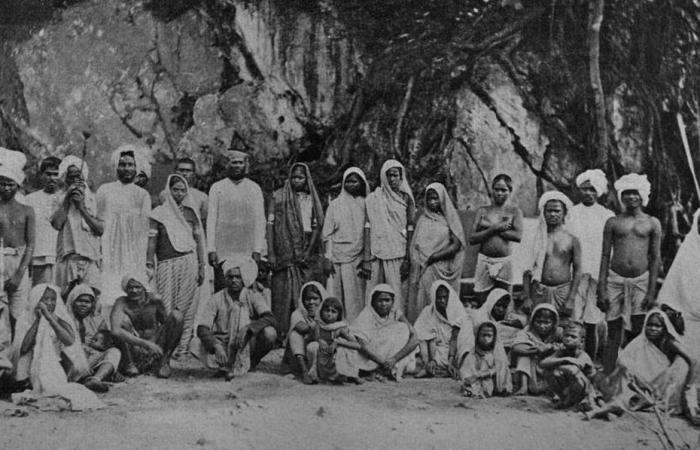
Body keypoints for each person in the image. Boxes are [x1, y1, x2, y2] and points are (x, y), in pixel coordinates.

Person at [598, 173, 661, 373]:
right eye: (627, 193)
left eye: (635, 193)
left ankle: (635, 374)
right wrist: (602, 289)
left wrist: (651, 291)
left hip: (641, 281)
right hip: (615, 279)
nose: (631, 197)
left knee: (638, 327)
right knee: (613, 330)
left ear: (642, 195)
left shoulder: (652, 223)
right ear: (621, 196)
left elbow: (655, 258)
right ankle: (608, 374)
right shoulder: (613, 222)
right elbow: (605, 256)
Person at [587, 310, 695, 421]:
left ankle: (620, 403)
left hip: (662, 381)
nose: (653, 329)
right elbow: (623, 359)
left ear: (665, 328)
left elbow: (693, 360)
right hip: (643, 379)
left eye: (658, 326)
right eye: (650, 325)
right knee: (623, 367)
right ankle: (617, 402)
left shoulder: (669, 342)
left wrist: (689, 386)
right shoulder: (641, 341)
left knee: (682, 363)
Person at [11, 284, 103, 410]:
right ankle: (27, 383)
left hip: (55, 365)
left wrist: (50, 319)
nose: (49, 303)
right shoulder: (25, 318)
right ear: (36, 300)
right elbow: (23, 348)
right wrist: (38, 321)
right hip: (30, 365)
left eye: (53, 299)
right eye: (45, 299)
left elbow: (69, 341)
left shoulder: (60, 317)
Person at [190, 256, 277, 381]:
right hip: (223, 344)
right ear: (226, 279)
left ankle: (251, 361)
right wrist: (216, 346)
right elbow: (202, 327)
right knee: (195, 344)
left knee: (270, 333)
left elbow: (270, 318)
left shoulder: (252, 296)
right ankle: (224, 366)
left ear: (243, 279)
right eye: (230, 277)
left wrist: (249, 328)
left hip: (244, 342)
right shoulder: (217, 298)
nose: (234, 281)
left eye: (238, 277)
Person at [148, 174, 205, 356]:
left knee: (185, 308)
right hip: (166, 264)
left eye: (182, 190)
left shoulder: (190, 213)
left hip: (189, 262)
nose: (179, 193)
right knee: (166, 308)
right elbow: (151, 242)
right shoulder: (158, 213)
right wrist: (149, 263)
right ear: (168, 190)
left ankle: (181, 349)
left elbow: (199, 240)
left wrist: (202, 264)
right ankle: (163, 350)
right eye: (175, 189)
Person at [267, 163, 324, 337]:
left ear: (307, 179)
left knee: (304, 290)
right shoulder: (278, 197)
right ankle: (281, 332)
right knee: (281, 292)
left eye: (301, 177)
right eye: (294, 177)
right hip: (283, 248)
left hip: (305, 247)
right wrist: (271, 252)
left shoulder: (310, 198)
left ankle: (305, 330)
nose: (297, 180)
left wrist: (308, 251)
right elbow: (270, 225)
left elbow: (316, 225)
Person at [97, 146, 152, 319]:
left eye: (130, 165)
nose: (126, 169)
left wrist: (145, 260)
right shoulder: (104, 190)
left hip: (133, 250)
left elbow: (145, 229)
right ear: (115, 167)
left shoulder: (142, 194)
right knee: (109, 289)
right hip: (109, 250)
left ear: (136, 168)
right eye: (122, 164)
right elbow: (98, 222)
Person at [566, 169, 614, 360]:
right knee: (574, 320)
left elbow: (610, 247)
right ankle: (572, 360)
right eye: (585, 189)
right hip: (575, 272)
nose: (588, 193)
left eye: (592, 189)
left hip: (597, 272)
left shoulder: (606, 214)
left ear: (598, 191)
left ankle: (589, 362)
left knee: (592, 321)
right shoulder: (571, 212)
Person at [657, 209, 700, 421]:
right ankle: (688, 398)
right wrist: (674, 312)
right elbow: (671, 289)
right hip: (689, 322)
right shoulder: (688, 251)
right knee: (685, 367)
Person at [207, 150, 266, 291]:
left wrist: (257, 249)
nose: (237, 166)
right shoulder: (217, 188)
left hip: (247, 250)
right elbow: (211, 219)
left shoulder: (254, 188)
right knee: (223, 291)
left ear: (245, 165)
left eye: (240, 163)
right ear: (228, 164)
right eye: (234, 162)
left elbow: (260, 220)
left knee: (246, 291)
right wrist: (211, 249)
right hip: (224, 250)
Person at [407, 183, 466, 322]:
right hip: (422, 267)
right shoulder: (422, 219)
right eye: (429, 199)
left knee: (440, 301)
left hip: (440, 266)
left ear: (442, 199)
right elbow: (415, 244)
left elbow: (456, 245)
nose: (432, 202)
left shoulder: (450, 219)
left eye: (436, 198)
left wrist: (434, 257)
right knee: (423, 300)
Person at [337, 284, 419, 381]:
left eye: (387, 300)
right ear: (373, 302)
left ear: (393, 302)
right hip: (368, 355)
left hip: (389, 357)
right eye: (380, 300)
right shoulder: (366, 314)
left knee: (403, 328)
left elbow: (415, 338)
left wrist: (394, 359)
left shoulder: (396, 313)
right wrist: (382, 362)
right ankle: (380, 370)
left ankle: (388, 369)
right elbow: (362, 346)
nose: (384, 304)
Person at [365, 160, 415, 312]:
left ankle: (397, 328)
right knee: (373, 294)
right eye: (389, 175)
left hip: (398, 252)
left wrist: (408, 257)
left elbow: (410, 227)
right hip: (376, 253)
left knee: (397, 294)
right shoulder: (373, 198)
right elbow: (367, 226)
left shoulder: (406, 198)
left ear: (401, 177)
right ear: (383, 176)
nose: (392, 179)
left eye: (395, 175)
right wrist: (367, 257)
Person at [110, 274, 184, 378]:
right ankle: (129, 364)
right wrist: (146, 344)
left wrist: (158, 343)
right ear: (125, 290)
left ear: (144, 288)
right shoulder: (121, 302)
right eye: (130, 288)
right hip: (135, 348)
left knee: (177, 316)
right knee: (123, 321)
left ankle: (164, 362)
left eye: (137, 287)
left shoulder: (155, 300)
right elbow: (115, 330)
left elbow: (167, 324)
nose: (134, 291)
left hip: (156, 345)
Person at [523, 191, 581, 321]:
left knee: (563, 330)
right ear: (543, 212)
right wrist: (527, 297)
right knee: (537, 327)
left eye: (557, 211)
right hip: (538, 290)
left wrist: (571, 299)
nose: (553, 214)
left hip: (563, 292)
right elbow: (527, 268)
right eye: (549, 211)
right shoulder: (536, 237)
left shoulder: (572, 239)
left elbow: (578, 270)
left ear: (564, 213)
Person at [322, 167, 371, 321]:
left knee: (355, 296)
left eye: (355, 181)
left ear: (362, 183)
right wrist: (327, 257)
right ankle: (335, 328)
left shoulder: (367, 204)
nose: (351, 185)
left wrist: (366, 257)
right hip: (336, 255)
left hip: (358, 257)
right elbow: (327, 234)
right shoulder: (335, 205)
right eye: (348, 181)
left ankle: (355, 329)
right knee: (335, 292)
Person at [51, 155, 103, 293]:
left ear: (84, 177)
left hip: (90, 258)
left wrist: (81, 207)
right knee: (65, 297)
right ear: (65, 179)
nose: (74, 180)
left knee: (89, 298)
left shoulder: (94, 198)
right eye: (71, 177)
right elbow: (57, 224)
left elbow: (100, 230)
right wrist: (68, 198)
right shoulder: (58, 198)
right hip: (67, 257)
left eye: (78, 177)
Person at [469, 174, 524, 300]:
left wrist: (489, 226)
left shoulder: (514, 211)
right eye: (496, 189)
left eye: (503, 190)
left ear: (510, 191)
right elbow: (472, 238)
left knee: (504, 299)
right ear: (492, 190)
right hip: (484, 260)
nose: (499, 193)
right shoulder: (482, 211)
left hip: (505, 261)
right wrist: (495, 228)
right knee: (481, 299)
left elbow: (517, 236)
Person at [0, 148, 34, 329]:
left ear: (18, 185)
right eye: (2, 183)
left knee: (19, 315)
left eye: (10, 184)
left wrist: (19, 274)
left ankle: (17, 353)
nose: (6, 188)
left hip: (19, 261)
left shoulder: (27, 210)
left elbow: (31, 244)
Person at [65, 284, 122, 393]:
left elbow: (105, 344)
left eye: (87, 302)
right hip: (72, 363)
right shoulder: (66, 319)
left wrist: (112, 368)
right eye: (80, 301)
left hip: (91, 361)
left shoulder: (96, 321)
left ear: (92, 304)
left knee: (114, 352)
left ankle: (95, 379)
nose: (83, 305)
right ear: (72, 301)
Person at [413, 280, 466, 379]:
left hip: (451, 351)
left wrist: (450, 360)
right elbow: (420, 337)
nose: (442, 301)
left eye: (445, 297)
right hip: (430, 350)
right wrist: (428, 360)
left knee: (462, 359)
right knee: (411, 358)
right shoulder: (428, 311)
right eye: (439, 297)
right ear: (434, 297)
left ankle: (436, 368)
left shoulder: (457, 311)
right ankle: (429, 366)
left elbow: (454, 339)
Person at [541, 322, 597, 409]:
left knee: (570, 371)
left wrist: (557, 365)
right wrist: (566, 359)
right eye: (566, 335)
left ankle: (570, 402)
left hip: (586, 390)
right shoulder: (562, 352)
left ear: (581, 341)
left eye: (573, 337)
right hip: (569, 386)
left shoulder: (583, 355)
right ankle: (564, 400)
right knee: (547, 372)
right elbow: (543, 363)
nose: (568, 339)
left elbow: (574, 369)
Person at [24, 157, 61, 285]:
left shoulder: (65, 198)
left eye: (56, 174)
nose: (51, 178)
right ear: (41, 175)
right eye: (48, 174)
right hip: (39, 255)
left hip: (60, 255)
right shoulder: (30, 199)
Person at [512, 303, 563, 395]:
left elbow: (568, 345)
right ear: (532, 321)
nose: (542, 326)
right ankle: (524, 387)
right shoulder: (528, 331)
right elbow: (516, 347)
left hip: (549, 364)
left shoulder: (558, 332)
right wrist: (537, 350)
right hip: (533, 365)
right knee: (523, 357)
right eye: (539, 322)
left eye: (547, 323)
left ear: (554, 322)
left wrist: (553, 347)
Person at [314, 296, 362, 384]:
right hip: (323, 357)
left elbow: (357, 345)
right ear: (321, 312)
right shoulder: (319, 325)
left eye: (333, 312)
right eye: (326, 310)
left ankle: (351, 375)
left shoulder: (340, 328)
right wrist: (319, 340)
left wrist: (338, 342)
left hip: (334, 357)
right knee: (313, 347)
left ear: (338, 315)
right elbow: (315, 337)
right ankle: (319, 376)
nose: (329, 314)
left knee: (344, 350)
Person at [286, 281, 326, 384]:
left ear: (321, 299)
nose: (311, 302)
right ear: (303, 300)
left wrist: (317, 320)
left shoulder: (327, 312)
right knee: (295, 335)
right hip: (300, 357)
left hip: (320, 353)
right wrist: (315, 324)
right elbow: (302, 328)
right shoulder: (297, 313)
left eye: (315, 298)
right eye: (308, 299)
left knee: (316, 346)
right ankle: (304, 372)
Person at [459, 321, 513, 398]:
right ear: (477, 335)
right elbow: (465, 369)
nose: (486, 339)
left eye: (489, 336)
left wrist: (484, 373)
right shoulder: (473, 352)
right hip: (478, 379)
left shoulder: (498, 352)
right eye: (483, 335)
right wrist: (470, 376)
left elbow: (501, 367)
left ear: (494, 337)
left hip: (495, 379)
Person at [162, 157, 208, 231]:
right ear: (175, 171)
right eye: (181, 170)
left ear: (193, 173)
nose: (184, 173)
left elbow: (203, 223)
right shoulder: (164, 194)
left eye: (188, 171)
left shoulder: (202, 197)